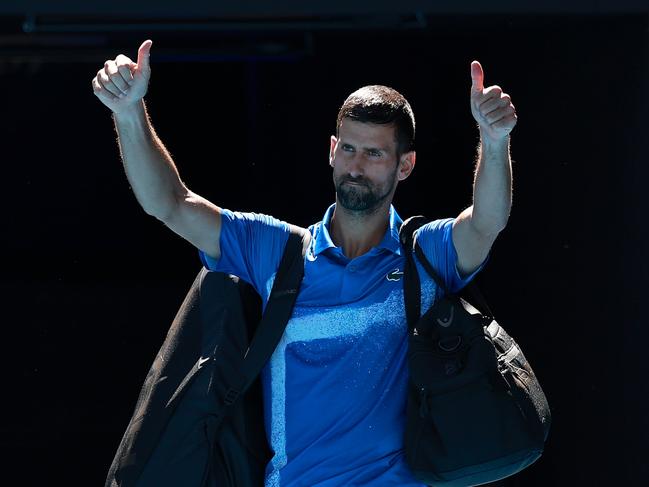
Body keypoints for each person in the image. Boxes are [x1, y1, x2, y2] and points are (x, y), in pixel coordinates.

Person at [93, 39, 516, 487]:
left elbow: (486, 222)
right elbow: (171, 203)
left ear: (405, 165)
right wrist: (127, 113)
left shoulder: (424, 256)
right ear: (332, 150)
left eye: (375, 154)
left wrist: (494, 142)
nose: (357, 166)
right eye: (349, 149)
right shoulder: (278, 252)